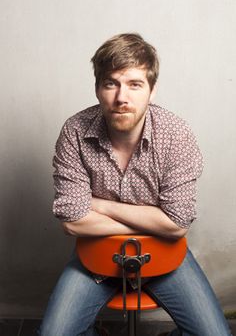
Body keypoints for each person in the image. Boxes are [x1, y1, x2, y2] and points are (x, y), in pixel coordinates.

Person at [40, 33, 231, 335]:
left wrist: (101, 206)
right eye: (111, 83)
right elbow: (73, 221)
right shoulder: (75, 131)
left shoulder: (176, 135)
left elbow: (177, 225)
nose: (121, 98)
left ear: (152, 91)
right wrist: (153, 221)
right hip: (96, 257)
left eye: (134, 84)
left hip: (166, 255)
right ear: (97, 88)